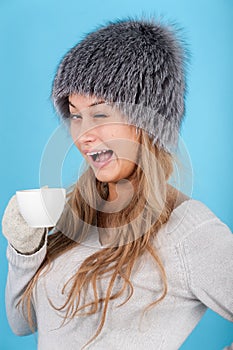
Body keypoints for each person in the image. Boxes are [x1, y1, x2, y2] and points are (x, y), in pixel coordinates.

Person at [2, 17, 233, 350]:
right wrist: (25, 249)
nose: (82, 134)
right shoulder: (74, 214)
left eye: (100, 114)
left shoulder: (187, 229)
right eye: (75, 114)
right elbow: (22, 323)